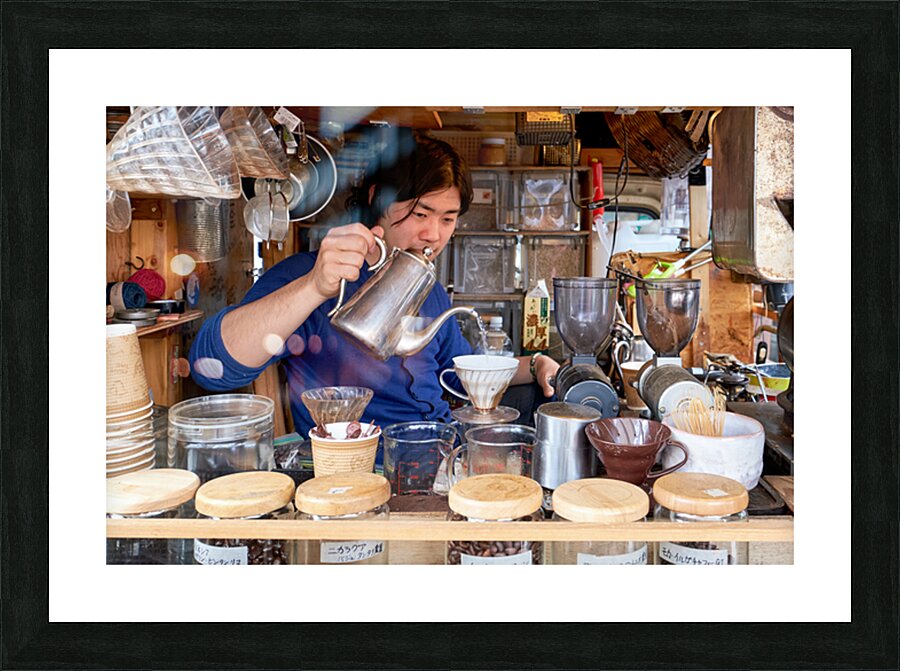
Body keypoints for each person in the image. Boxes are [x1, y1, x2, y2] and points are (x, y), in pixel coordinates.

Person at [189, 132, 559, 437]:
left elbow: (461, 374)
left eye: (447, 219)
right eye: (420, 214)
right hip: (367, 463)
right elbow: (212, 368)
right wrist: (315, 287)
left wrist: (539, 363)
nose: (433, 234)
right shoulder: (311, 274)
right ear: (376, 198)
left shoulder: (426, 290)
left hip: (440, 451)